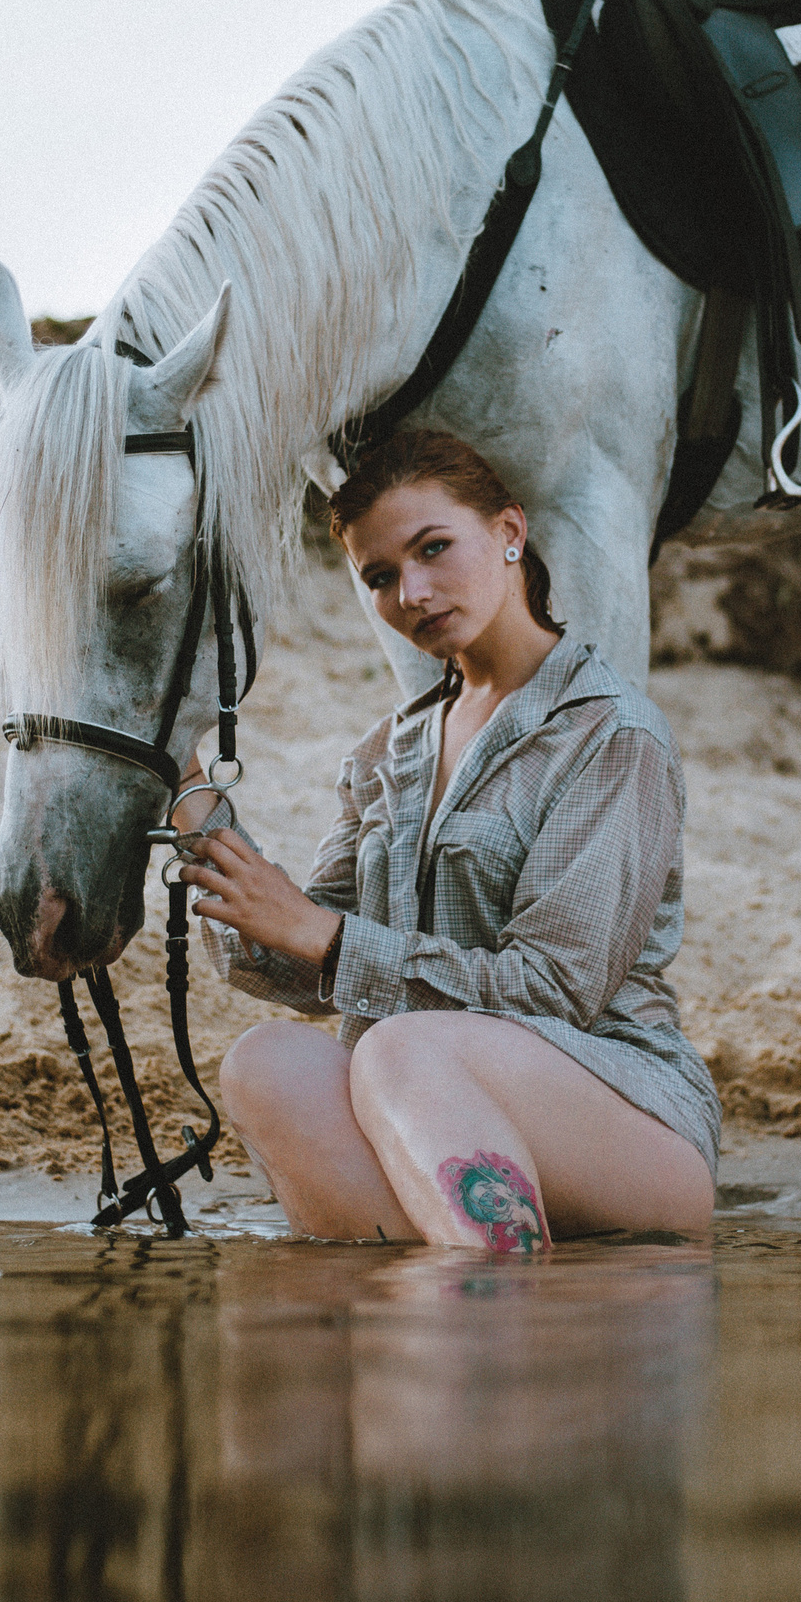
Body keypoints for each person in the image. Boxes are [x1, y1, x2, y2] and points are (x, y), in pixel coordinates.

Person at [178, 429, 720, 1252]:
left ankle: (482, 1305)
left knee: (399, 1049)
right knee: (267, 1065)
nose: (414, 593)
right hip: (431, 1117)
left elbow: (552, 990)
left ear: (509, 533)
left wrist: (323, 935)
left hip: (629, 1125)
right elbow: (292, 960)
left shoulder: (611, 734)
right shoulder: (388, 752)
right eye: (382, 577)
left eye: (435, 548)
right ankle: (444, 1315)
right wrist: (182, 782)